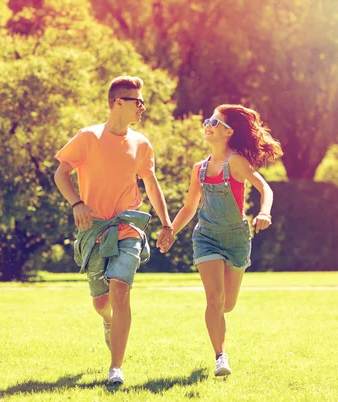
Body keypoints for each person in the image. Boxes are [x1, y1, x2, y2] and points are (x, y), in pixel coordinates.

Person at [54, 76, 174, 385]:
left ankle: (116, 368)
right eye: (138, 102)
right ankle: (107, 321)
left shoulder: (141, 143)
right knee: (101, 302)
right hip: (93, 229)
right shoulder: (88, 137)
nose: (142, 108)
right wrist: (77, 203)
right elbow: (61, 173)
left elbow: (150, 183)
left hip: (127, 227)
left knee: (120, 289)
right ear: (118, 102)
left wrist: (166, 222)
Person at [159, 104, 283, 376]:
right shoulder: (199, 169)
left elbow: (265, 188)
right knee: (214, 300)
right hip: (206, 236)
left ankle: (220, 345)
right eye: (207, 120)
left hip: (237, 238)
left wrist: (264, 212)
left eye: (214, 122)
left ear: (228, 132)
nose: (207, 125)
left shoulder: (236, 162)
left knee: (227, 304)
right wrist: (170, 230)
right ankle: (220, 357)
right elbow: (190, 208)